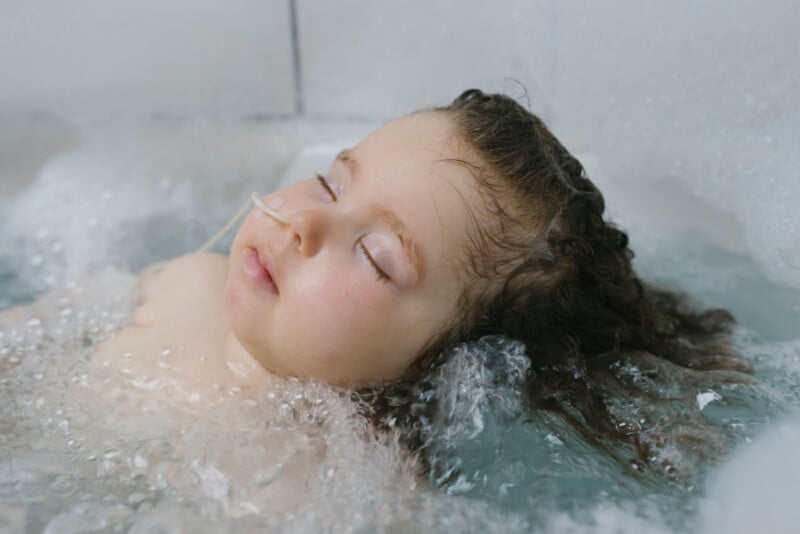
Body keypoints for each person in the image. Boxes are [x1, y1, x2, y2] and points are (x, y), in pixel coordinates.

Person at [3, 89, 747, 467]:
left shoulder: (329, 484)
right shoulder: (182, 283)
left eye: (375, 257)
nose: (303, 221)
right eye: (332, 182)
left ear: (448, 367)